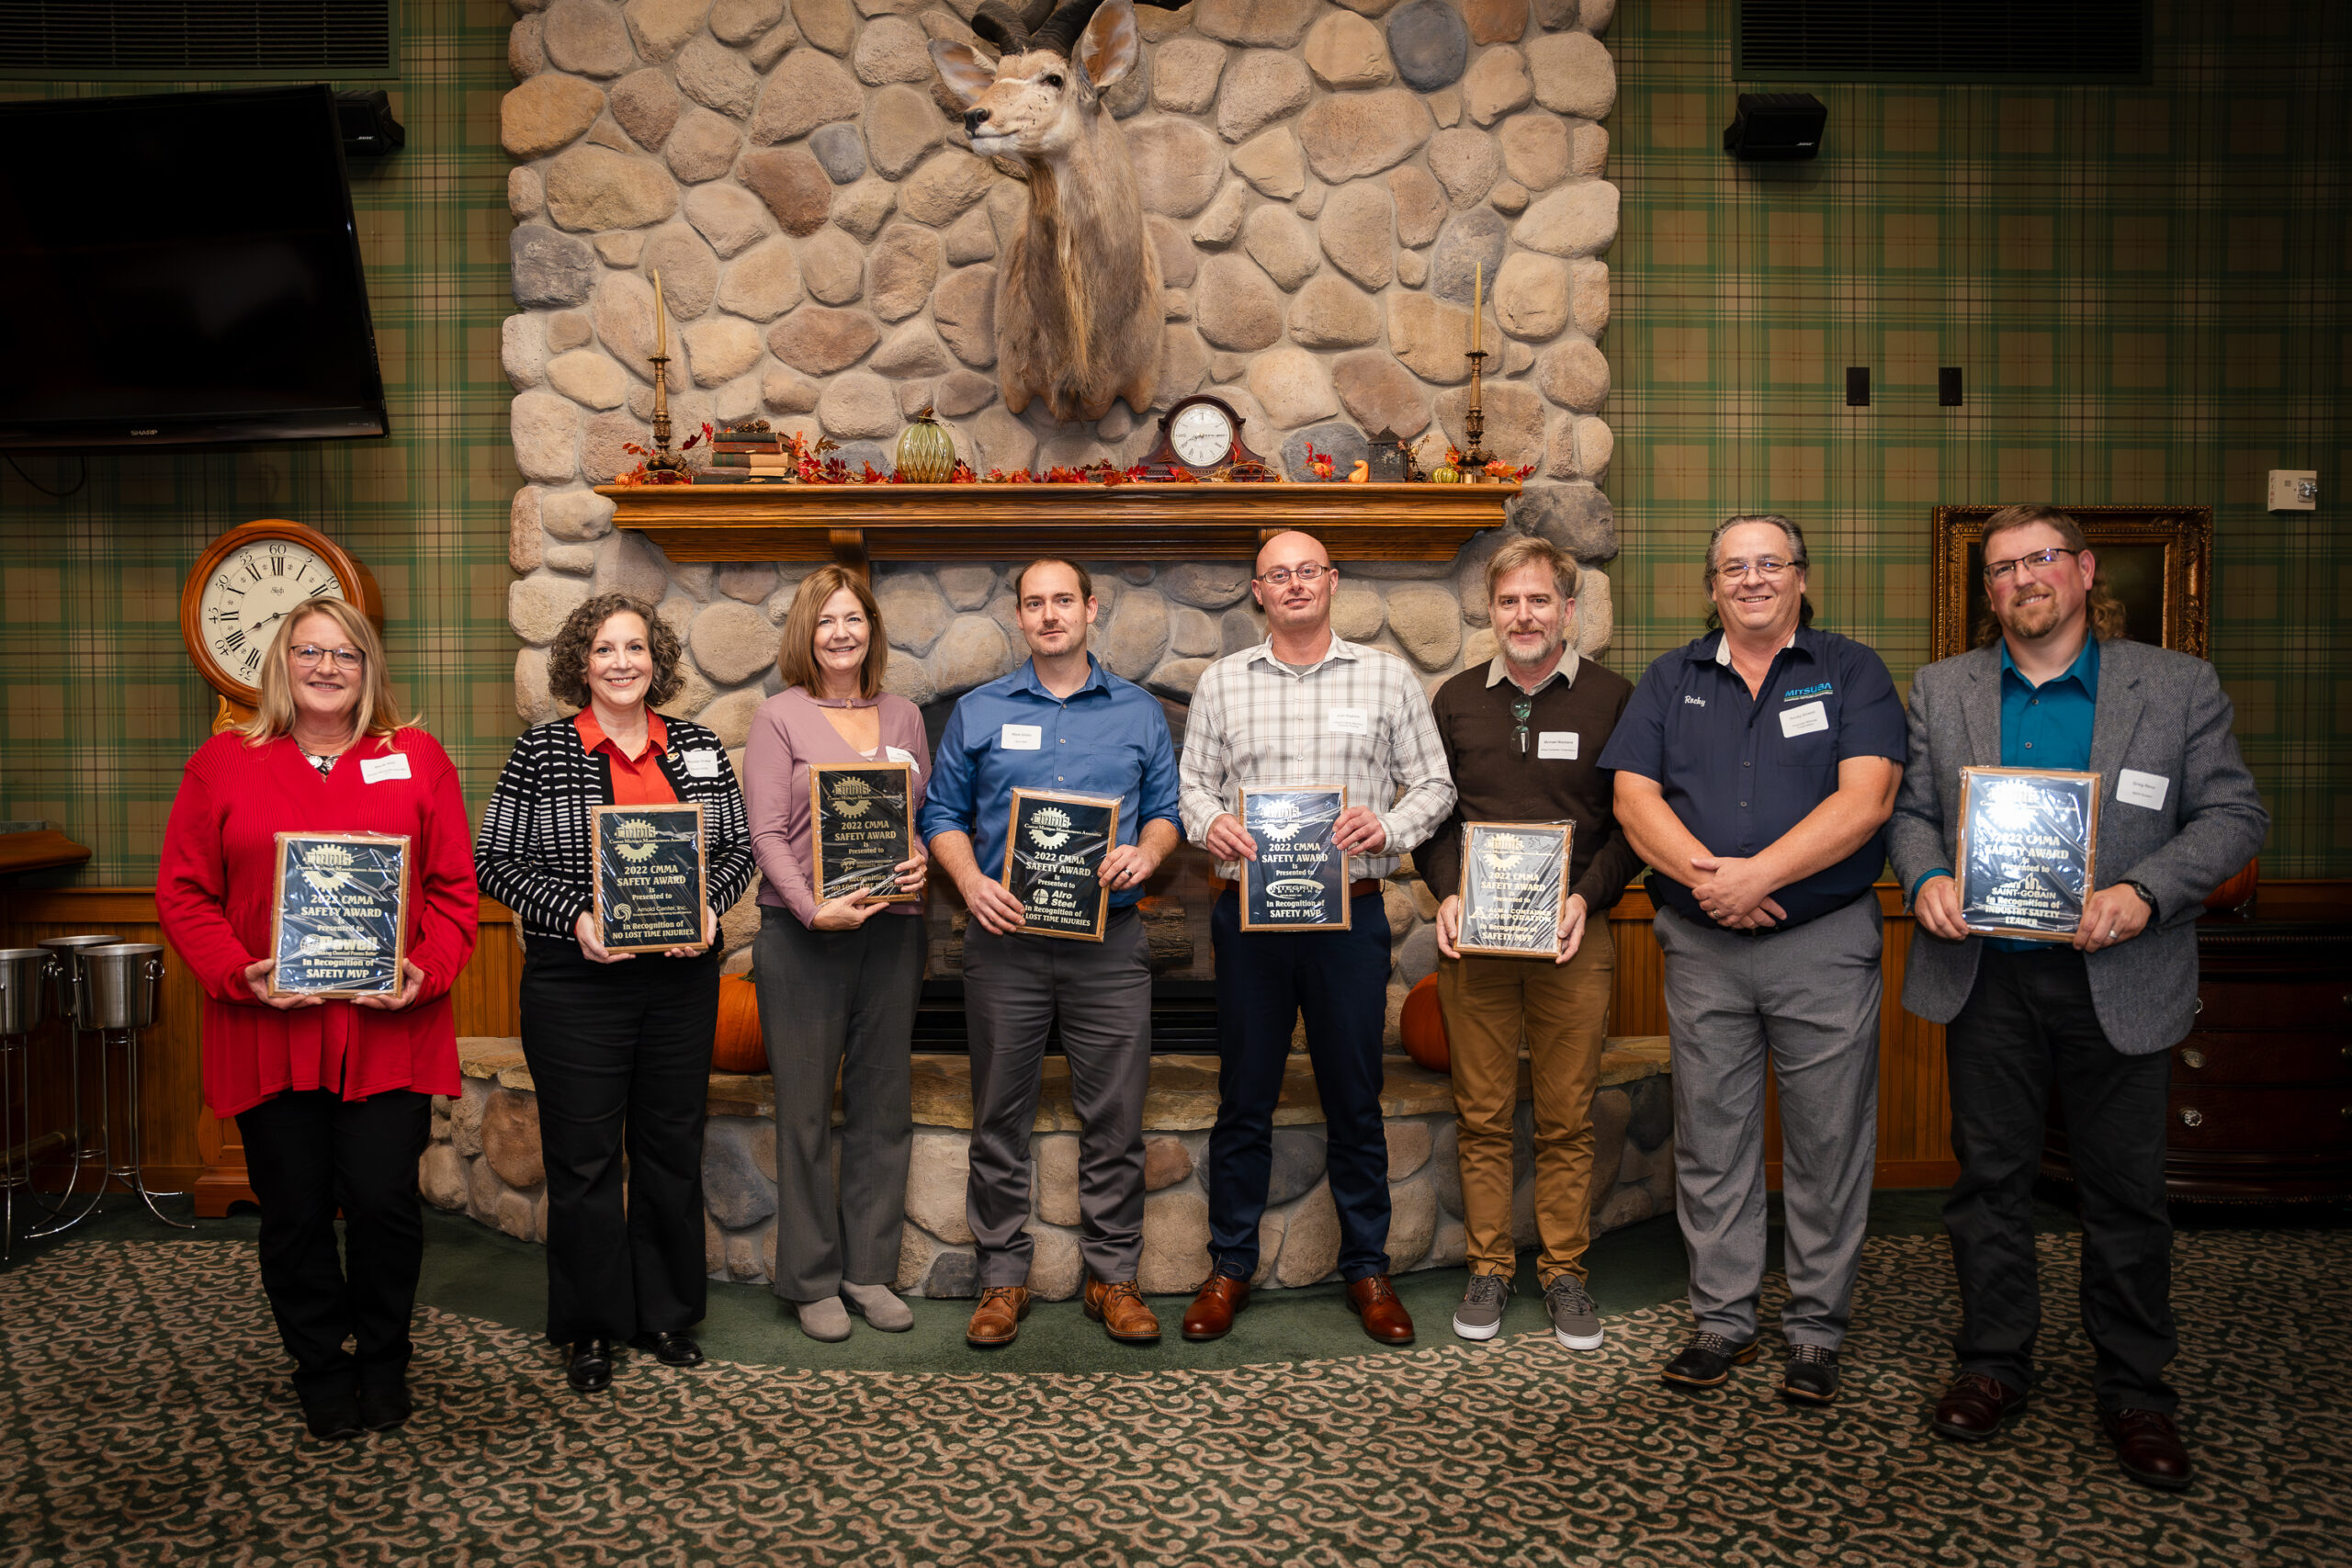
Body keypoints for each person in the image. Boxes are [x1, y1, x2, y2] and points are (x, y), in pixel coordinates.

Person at [1887, 504, 2266, 1491]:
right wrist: (1924, 876)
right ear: (1989, 591)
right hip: (1987, 976)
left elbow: (2233, 814)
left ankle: (2136, 1389)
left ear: (2085, 571)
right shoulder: (1943, 688)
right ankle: (1993, 1362)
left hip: (2122, 972)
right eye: (2002, 568)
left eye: (2041, 559)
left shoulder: (2176, 687)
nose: (2022, 579)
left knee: (2127, 1196)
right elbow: (1912, 814)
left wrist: (2144, 894)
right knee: (1988, 1184)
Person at [1596, 513, 1905, 1404]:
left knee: (1827, 1143)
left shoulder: (1851, 671)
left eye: (1770, 564)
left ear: (1802, 578)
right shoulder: (1670, 677)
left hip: (1821, 945)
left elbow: (1869, 798)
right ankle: (1722, 1321)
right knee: (1712, 1140)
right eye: (1733, 567)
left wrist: (1757, 875)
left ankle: (1814, 1333)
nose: (1752, 579)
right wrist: (1712, 883)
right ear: (1712, 586)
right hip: (1701, 949)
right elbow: (1632, 797)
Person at [157, 601, 478, 1441]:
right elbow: (184, 893)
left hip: (386, 1031)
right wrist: (239, 971)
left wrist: (426, 970)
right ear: (282, 663)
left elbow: (452, 893)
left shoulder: (415, 759)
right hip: (272, 1028)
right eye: (310, 651)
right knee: (293, 1210)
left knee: (383, 1205)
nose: (328, 667)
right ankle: (321, 1366)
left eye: (346, 653)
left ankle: (382, 1357)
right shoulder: (222, 764)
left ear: (369, 665)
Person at [1176, 529, 1456, 1346]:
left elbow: (1434, 781)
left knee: (1353, 1098)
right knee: (1244, 1098)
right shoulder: (1223, 682)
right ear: (1256, 592)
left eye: (1308, 571)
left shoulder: (1386, 677)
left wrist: (1389, 824)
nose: (1294, 585)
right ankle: (1229, 1265)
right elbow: (1190, 785)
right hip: (1251, 923)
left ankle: (1367, 1267)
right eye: (1277, 575)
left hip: (1350, 918)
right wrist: (1214, 822)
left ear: (1332, 582)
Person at [474, 592, 754, 1394]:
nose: (622, 662)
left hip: (678, 983)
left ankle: (665, 1312)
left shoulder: (696, 748)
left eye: (635, 648)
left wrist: (708, 906)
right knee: (586, 1159)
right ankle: (591, 1325)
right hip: (576, 984)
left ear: (657, 661)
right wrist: (576, 916)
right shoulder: (542, 753)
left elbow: (734, 848)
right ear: (581, 664)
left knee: (671, 1147)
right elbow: (496, 862)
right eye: (604, 649)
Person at [918, 558, 1183, 1348]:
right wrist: (967, 882)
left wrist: (1148, 853)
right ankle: (1002, 1280)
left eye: (1063, 599)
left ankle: (1114, 1278)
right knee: (998, 1114)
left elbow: (1166, 814)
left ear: (1091, 608)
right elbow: (941, 812)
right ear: (1022, 618)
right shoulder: (979, 709)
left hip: (1111, 945)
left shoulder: (1139, 712)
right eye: (1034, 603)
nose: (1049, 614)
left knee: (1115, 1117)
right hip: (1006, 946)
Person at [1424, 536, 1645, 1348]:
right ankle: (1489, 1265)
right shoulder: (1454, 700)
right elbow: (1433, 819)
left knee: (1565, 1116)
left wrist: (1587, 898)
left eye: (1540, 600)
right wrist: (1447, 892)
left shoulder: (1615, 699)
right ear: (1492, 611)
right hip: (1474, 943)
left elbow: (1633, 824)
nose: (1524, 615)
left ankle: (1565, 1273)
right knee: (1480, 1114)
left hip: (1570, 940)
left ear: (1568, 610)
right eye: (1509, 601)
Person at [744, 567, 930, 1343]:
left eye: (854, 618)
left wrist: (917, 854)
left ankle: (868, 1270)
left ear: (871, 629)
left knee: (884, 1107)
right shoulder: (778, 717)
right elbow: (766, 835)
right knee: (806, 1111)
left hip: (892, 932)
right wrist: (810, 907)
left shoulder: (907, 714)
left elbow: (914, 817)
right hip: (804, 936)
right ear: (806, 635)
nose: (841, 633)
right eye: (826, 621)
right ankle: (813, 1278)